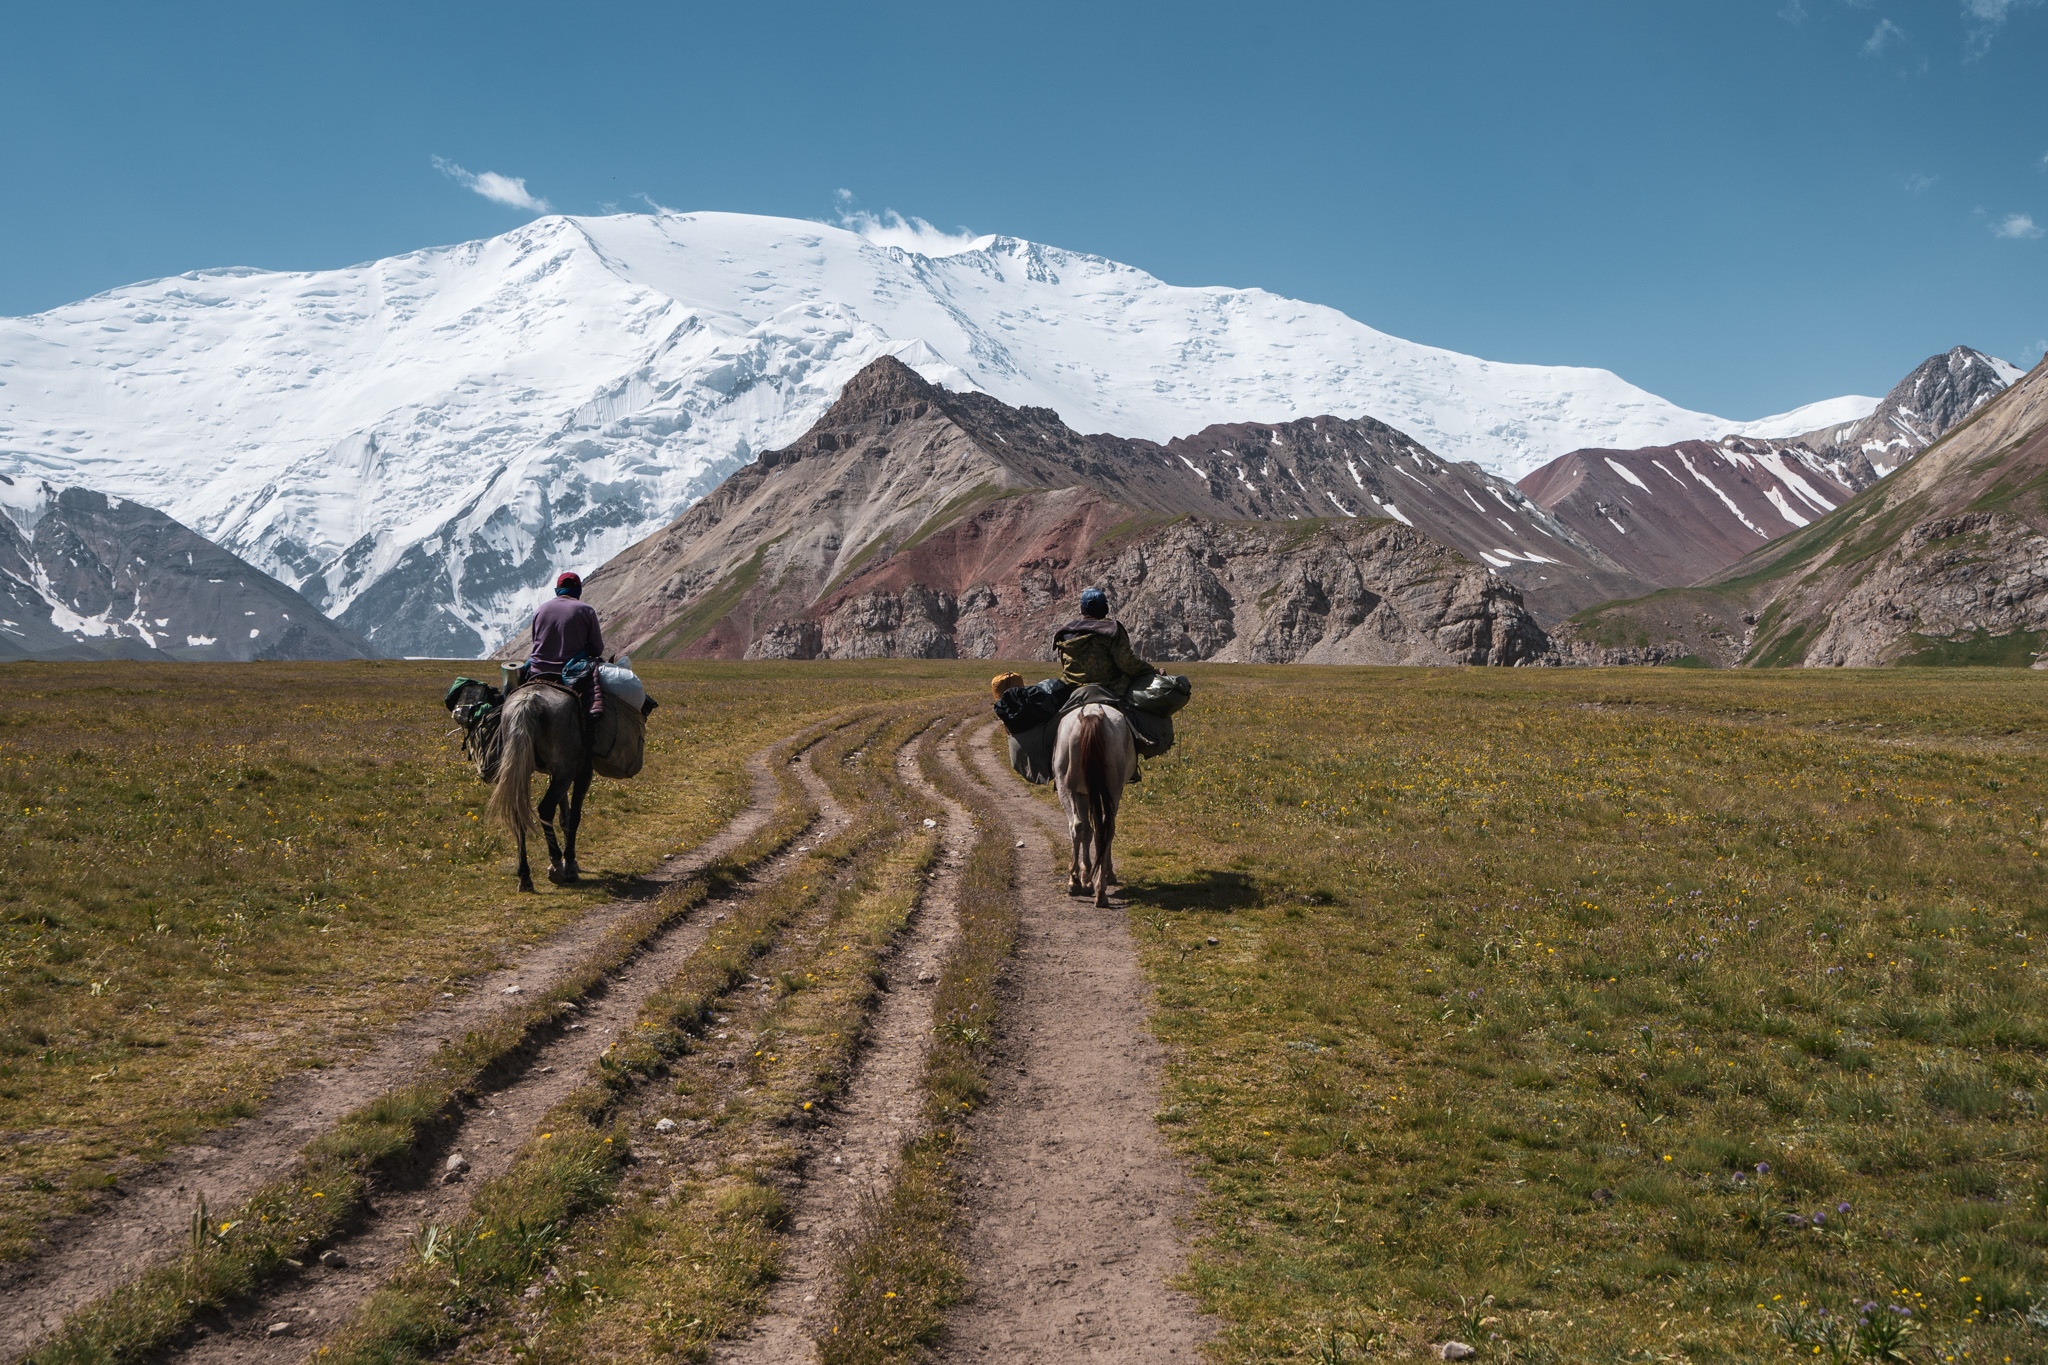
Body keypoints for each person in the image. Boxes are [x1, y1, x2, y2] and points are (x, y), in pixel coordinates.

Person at [1053, 587, 1156, 696]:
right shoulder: (1111, 630)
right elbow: (1127, 664)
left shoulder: (1066, 633)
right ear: (1105, 608)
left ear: (1082, 608)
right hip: (1111, 689)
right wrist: (1153, 671)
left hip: (1071, 690)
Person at [527, 571, 604, 683]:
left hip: (537, 672)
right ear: (579, 591)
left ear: (557, 590)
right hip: (571, 673)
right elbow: (597, 649)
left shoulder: (540, 610)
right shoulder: (586, 611)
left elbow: (536, 641)